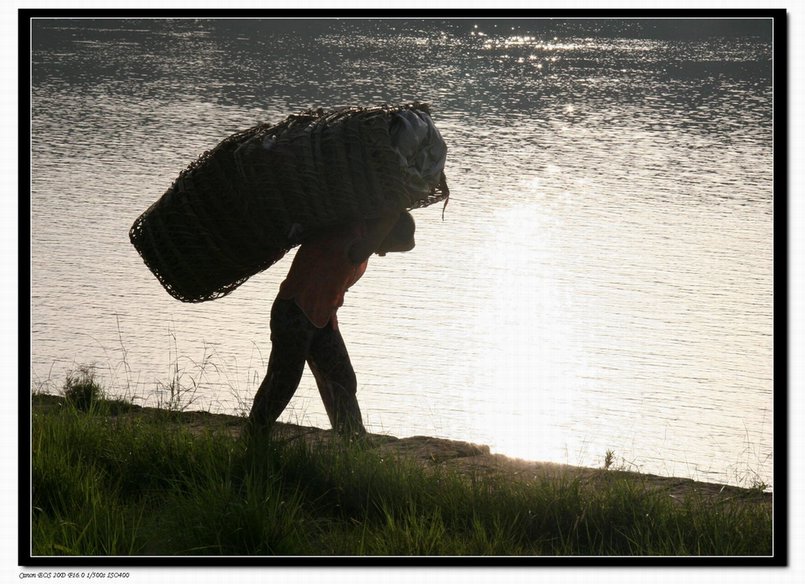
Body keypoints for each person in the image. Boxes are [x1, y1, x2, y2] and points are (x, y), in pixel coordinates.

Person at [247, 210, 416, 439]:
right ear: (385, 229)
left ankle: (352, 441)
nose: (384, 253)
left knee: (343, 379)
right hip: (294, 312)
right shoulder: (354, 238)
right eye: (389, 245)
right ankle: (254, 435)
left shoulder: (361, 239)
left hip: (321, 319)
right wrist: (398, 204)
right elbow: (368, 241)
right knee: (283, 381)